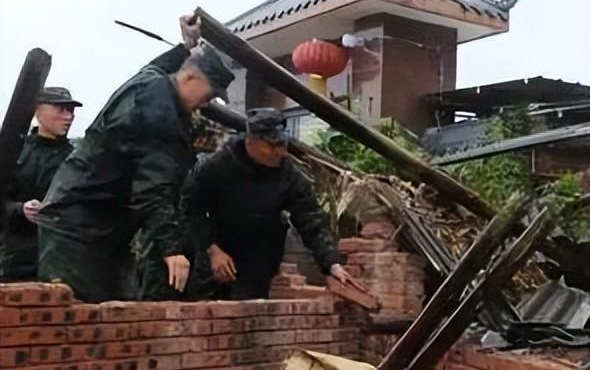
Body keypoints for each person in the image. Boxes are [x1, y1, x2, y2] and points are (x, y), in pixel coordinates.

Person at [36, 16, 233, 302]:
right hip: (76, 226)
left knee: (117, 311)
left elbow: (157, 67)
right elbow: (153, 188)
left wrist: (185, 47)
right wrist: (171, 250)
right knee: (75, 313)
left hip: (101, 224)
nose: (207, 103)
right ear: (190, 78)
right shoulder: (159, 111)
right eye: (209, 93)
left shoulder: (152, 83)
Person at [181, 108, 362, 300]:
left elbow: (311, 220)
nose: (279, 152)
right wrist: (213, 250)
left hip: (258, 263)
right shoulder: (217, 166)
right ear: (251, 140)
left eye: (282, 144)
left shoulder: (288, 175)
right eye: (272, 145)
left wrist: (332, 263)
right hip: (216, 256)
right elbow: (191, 209)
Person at [0, 87, 80, 281]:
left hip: (60, 260)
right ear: (37, 112)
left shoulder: (76, 159)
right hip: (12, 259)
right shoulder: (12, 152)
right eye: (60, 109)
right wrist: (21, 209)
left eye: (71, 110)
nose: (68, 116)